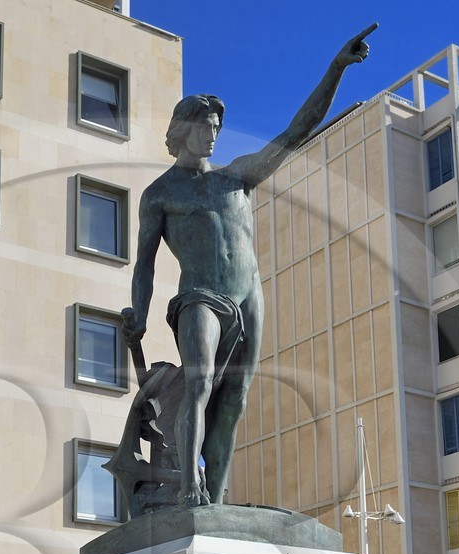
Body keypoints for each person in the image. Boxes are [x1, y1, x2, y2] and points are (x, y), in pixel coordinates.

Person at [126, 25, 375, 507]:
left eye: (217, 128)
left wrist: (336, 68)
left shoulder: (237, 176)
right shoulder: (160, 194)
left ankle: (215, 501)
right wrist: (139, 312)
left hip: (248, 296)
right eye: (205, 127)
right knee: (199, 382)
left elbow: (296, 132)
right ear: (183, 130)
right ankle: (189, 486)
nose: (213, 135)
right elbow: (144, 265)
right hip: (199, 297)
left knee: (235, 401)